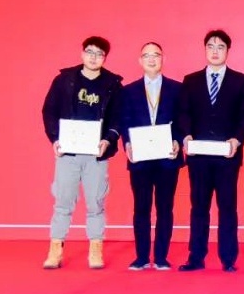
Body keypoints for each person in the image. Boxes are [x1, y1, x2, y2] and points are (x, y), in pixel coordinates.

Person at [41, 36, 123, 270]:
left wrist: (108, 140)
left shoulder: (113, 84)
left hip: (97, 154)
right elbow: (49, 110)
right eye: (90, 52)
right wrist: (55, 138)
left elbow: (118, 117)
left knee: (96, 203)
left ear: (105, 58)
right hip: (68, 153)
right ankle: (55, 250)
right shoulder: (65, 80)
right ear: (82, 53)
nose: (93, 57)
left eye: (99, 54)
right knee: (63, 202)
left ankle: (95, 249)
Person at [179, 30, 244, 272]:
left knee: (227, 207)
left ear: (228, 51)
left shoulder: (240, 80)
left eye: (220, 47)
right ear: (205, 49)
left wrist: (237, 140)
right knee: (199, 207)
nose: (215, 51)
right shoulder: (191, 80)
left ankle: (228, 258)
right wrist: (186, 135)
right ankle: (196, 257)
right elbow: (183, 113)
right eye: (210, 46)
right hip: (198, 156)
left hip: (227, 156)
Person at [117, 42, 185, 271]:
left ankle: (162, 257)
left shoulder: (177, 89)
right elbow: (124, 120)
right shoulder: (128, 91)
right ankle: (142, 257)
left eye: (156, 55)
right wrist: (127, 143)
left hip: (167, 158)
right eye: (147, 55)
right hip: (140, 158)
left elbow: (183, 119)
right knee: (141, 208)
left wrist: (178, 140)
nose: (152, 59)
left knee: (165, 208)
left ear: (163, 59)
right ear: (140, 60)